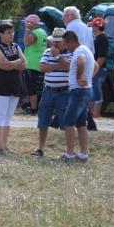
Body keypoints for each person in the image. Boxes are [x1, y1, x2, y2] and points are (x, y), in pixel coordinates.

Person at [0, 22, 27, 154]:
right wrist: (16, 62)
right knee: (0, 114)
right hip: (1, 85)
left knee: (8, 116)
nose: (11, 35)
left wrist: (13, 64)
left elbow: (24, 64)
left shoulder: (16, 47)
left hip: (15, 84)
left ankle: (5, 144)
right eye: (8, 32)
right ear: (0, 34)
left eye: (12, 32)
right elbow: (3, 65)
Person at [33, 28, 71, 157]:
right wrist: (61, 64)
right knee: (43, 121)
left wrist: (57, 58)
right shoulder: (47, 52)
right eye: (53, 41)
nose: (54, 44)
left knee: (67, 123)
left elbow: (70, 67)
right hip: (48, 91)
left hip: (64, 92)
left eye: (57, 42)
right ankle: (40, 148)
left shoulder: (71, 53)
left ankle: (69, 151)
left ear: (65, 42)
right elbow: (43, 67)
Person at [59, 31, 96, 162]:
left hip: (79, 91)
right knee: (81, 124)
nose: (66, 47)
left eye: (65, 44)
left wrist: (79, 77)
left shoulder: (79, 51)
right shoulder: (86, 49)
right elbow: (95, 66)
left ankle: (69, 155)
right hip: (86, 90)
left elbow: (81, 62)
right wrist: (88, 78)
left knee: (68, 122)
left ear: (71, 42)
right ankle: (83, 155)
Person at [63, 6, 96, 130]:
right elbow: (92, 50)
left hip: (78, 61)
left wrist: (79, 76)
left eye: (64, 15)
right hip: (89, 62)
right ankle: (89, 122)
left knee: (75, 99)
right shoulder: (87, 28)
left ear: (71, 16)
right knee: (82, 101)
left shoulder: (71, 27)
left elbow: (77, 56)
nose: (63, 18)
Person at [22, 14, 47, 115]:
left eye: (29, 22)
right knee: (35, 87)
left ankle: (33, 109)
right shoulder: (43, 32)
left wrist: (26, 31)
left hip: (32, 63)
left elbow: (27, 43)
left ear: (35, 23)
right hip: (39, 62)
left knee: (31, 87)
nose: (27, 24)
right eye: (27, 22)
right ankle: (29, 105)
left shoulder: (35, 33)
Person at [89, 17, 108, 119]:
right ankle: (93, 113)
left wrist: (94, 69)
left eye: (93, 25)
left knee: (96, 90)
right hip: (96, 68)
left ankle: (96, 114)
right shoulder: (98, 38)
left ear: (97, 26)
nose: (91, 26)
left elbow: (102, 57)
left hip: (99, 69)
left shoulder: (102, 39)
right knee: (93, 90)